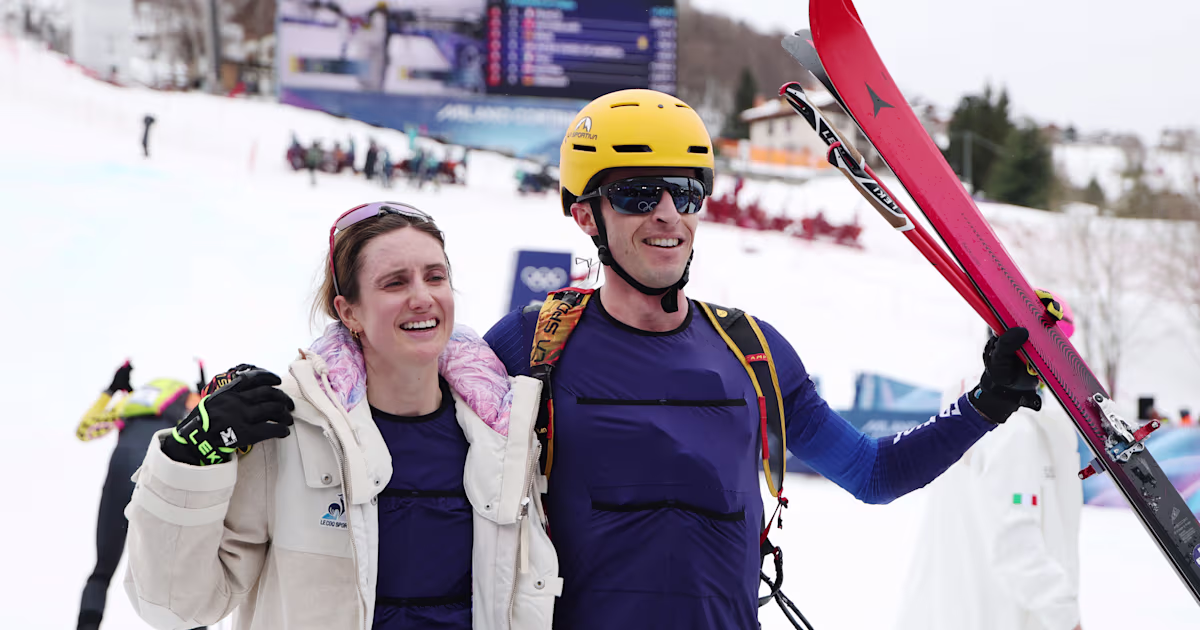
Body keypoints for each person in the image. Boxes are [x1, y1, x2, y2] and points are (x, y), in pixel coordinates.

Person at [483, 88, 1040, 629]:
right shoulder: (531, 345)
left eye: (685, 191)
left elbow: (875, 473)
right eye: (637, 194)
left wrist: (986, 403)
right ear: (585, 216)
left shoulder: (752, 351)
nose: (668, 214)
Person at [123, 202, 558, 630]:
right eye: (394, 283)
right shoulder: (291, 432)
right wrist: (187, 459)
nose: (423, 297)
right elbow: (175, 606)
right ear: (350, 312)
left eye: (435, 277)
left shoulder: (505, 436)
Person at [895, 291, 1084, 630]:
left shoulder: (968, 416)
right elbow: (1015, 543)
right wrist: (1066, 618)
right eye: (1061, 346)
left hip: (949, 611)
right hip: (995, 616)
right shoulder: (1015, 432)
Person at [75, 361, 203, 630]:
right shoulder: (186, 398)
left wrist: (110, 391)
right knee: (178, 569)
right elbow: (205, 424)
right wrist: (206, 394)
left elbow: (85, 430)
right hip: (158, 471)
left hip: (120, 470)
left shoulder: (129, 402)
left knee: (102, 571)